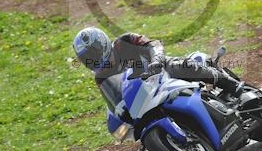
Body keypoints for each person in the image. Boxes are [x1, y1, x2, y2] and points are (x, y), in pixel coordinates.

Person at [73, 27, 242, 113]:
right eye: (86, 57)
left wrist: (157, 60)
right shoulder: (101, 77)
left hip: (161, 71)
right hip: (145, 95)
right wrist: (119, 113)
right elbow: (115, 102)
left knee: (184, 67)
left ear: (101, 43)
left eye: (93, 52)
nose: (92, 59)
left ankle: (233, 85)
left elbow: (153, 44)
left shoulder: (124, 41)